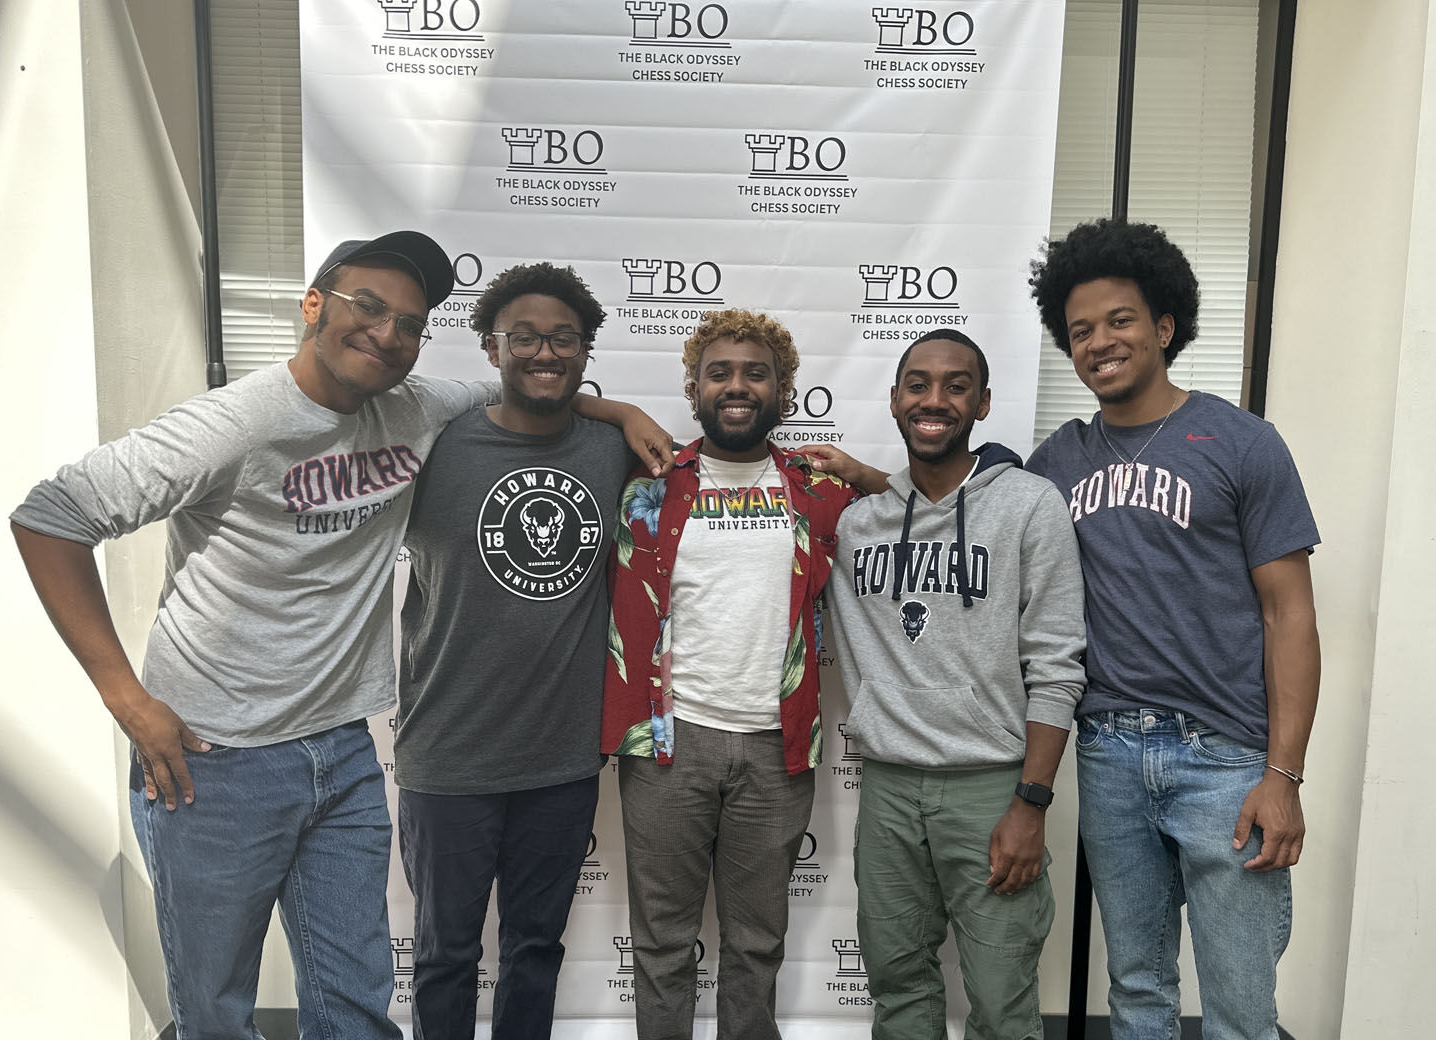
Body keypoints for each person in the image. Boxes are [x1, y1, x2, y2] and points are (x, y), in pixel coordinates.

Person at [10, 234, 669, 1040]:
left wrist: (620, 411)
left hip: (344, 753)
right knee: (216, 1015)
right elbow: (51, 517)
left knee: (357, 1010)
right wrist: (128, 700)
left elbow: (529, 388)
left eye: (410, 323)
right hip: (215, 760)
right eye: (369, 307)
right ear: (314, 304)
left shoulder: (414, 408)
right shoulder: (237, 421)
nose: (387, 334)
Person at [1026, 218, 1321, 1039]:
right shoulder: (1059, 461)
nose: (1099, 342)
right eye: (1080, 331)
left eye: (1119, 320)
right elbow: (967, 505)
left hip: (1225, 757)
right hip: (1110, 751)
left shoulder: (1242, 443)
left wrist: (1284, 776)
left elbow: (1290, 614)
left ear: (1164, 326)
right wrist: (874, 480)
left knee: (1238, 1007)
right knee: (1138, 991)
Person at [393, 262, 664, 1040]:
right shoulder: (432, 446)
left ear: (585, 352)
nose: (546, 352)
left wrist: (621, 410)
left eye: (564, 339)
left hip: (560, 761)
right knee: (445, 955)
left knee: (535, 950)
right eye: (526, 337)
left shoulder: (612, 450)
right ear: (491, 347)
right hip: (447, 756)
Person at [601, 309, 860, 1040]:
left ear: (784, 390)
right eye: (719, 373)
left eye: (756, 373)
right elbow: (552, 406)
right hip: (668, 746)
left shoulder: (818, 488)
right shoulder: (649, 484)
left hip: (777, 750)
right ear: (694, 389)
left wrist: (866, 472)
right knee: (661, 942)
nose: (737, 386)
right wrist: (619, 410)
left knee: (757, 942)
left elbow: (917, 505)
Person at [826, 328, 1086, 1040]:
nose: (934, 400)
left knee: (1002, 1004)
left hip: (991, 789)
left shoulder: (1030, 505)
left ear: (983, 403)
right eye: (918, 385)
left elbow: (1057, 665)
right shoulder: (857, 523)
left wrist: (1031, 802)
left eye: (955, 386)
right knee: (898, 989)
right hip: (888, 789)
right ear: (895, 399)